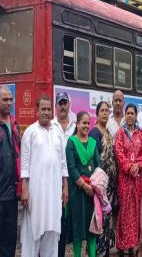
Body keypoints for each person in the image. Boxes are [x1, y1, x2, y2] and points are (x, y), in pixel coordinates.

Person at [20, 95, 68, 257]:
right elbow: (24, 164)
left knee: (52, 232)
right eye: (43, 109)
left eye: (48, 109)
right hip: (35, 193)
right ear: (37, 110)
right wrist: (25, 189)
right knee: (32, 231)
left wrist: (65, 187)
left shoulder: (58, 132)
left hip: (54, 193)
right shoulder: (30, 132)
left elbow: (63, 162)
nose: (46, 112)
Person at [66, 111, 101, 257]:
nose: (86, 126)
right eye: (83, 123)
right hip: (77, 192)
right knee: (78, 230)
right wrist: (84, 186)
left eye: (88, 123)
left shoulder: (93, 143)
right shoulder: (71, 142)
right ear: (77, 124)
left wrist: (94, 186)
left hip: (92, 194)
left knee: (92, 229)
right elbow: (71, 168)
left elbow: (99, 167)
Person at [114, 104, 142, 256]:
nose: (130, 116)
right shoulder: (121, 133)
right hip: (124, 179)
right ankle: (121, 245)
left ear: (136, 115)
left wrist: (138, 165)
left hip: (137, 179)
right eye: (128, 113)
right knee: (124, 211)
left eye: (132, 113)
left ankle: (132, 245)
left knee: (135, 212)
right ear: (125, 115)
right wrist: (129, 167)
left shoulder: (140, 134)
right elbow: (118, 153)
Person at [89, 101, 117, 257]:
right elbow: (95, 159)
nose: (105, 113)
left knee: (107, 219)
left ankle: (105, 250)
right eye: (102, 110)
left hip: (110, 183)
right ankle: (98, 251)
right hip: (100, 185)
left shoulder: (108, 131)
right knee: (99, 218)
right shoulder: (94, 132)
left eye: (107, 110)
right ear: (97, 113)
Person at [52, 92, 76, 257]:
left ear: (69, 105)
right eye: (59, 103)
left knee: (69, 223)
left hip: (74, 182)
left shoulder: (75, 127)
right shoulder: (50, 126)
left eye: (64, 103)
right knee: (56, 221)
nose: (62, 106)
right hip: (55, 181)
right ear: (56, 106)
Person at [0, 86, 20, 257]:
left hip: (12, 195)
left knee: (10, 239)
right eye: (5, 99)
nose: (9, 103)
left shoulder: (14, 125)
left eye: (10, 99)